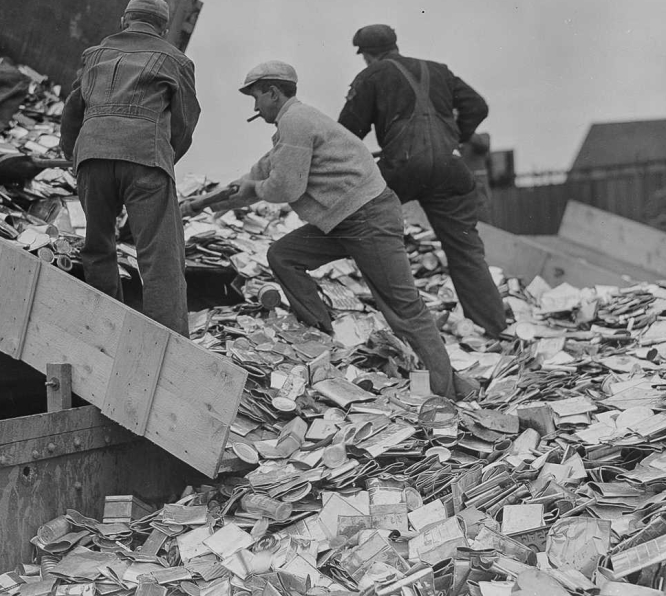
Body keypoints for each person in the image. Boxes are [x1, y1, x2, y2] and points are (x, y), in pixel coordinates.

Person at [215, 60, 458, 399]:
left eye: (257, 97)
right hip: (343, 221)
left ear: (272, 92)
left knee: (404, 309)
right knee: (283, 255)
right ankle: (319, 335)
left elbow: (285, 187)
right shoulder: (293, 126)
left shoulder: (296, 121)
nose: (255, 107)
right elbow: (262, 171)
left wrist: (254, 190)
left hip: (369, 218)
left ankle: (448, 393)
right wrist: (216, 201)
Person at [338, 24, 506, 337]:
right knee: (467, 253)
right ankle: (493, 329)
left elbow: (346, 134)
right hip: (450, 170)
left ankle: (405, 331)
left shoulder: (372, 75)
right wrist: (456, 137)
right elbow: (477, 106)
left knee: (370, 235)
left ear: (366, 55)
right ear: (395, 45)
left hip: (401, 170)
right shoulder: (439, 71)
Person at [60, 0, 200, 336]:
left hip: (92, 157)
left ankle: (103, 330)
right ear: (164, 28)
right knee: (160, 258)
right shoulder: (176, 60)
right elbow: (184, 122)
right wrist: (163, 158)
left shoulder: (94, 55)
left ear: (125, 20)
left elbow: (72, 110)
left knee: (98, 246)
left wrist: (74, 156)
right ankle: (166, 344)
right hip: (145, 159)